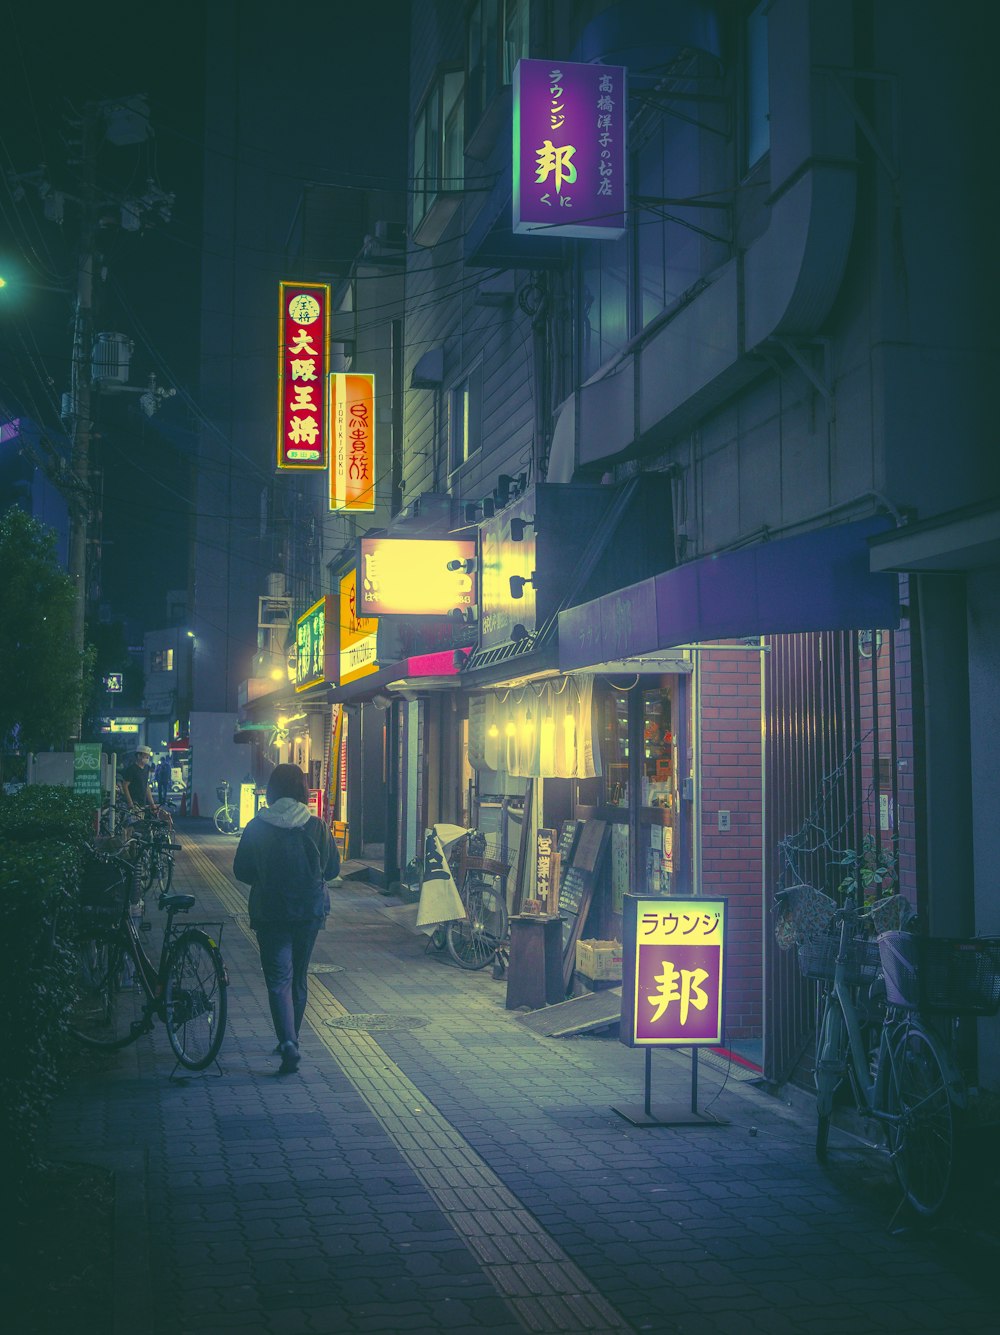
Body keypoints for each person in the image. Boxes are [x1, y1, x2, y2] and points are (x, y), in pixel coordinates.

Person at [233, 763, 340, 1074]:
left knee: (278, 979)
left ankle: (288, 1041)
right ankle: (294, 1038)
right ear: (302, 790)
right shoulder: (316, 825)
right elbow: (332, 870)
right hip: (308, 912)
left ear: (273, 789)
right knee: (299, 976)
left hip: (271, 912)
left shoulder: (257, 826)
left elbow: (241, 871)